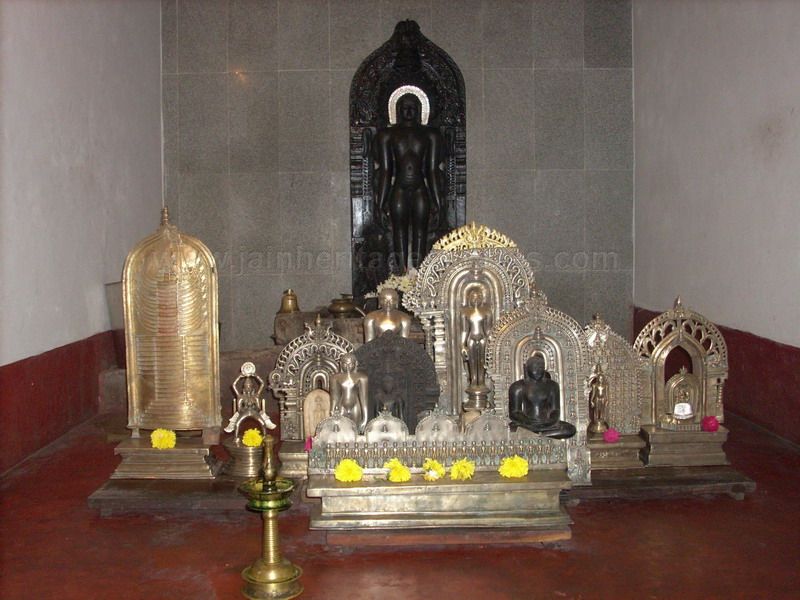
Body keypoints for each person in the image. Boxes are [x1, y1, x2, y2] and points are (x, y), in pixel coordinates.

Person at [375, 93, 444, 272]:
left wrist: (438, 202)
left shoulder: (430, 135)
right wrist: (380, 204)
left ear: (420, 110)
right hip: (399, 188)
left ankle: (420, 276)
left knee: (421, 232)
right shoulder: (388, 135)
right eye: (405, 107)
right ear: (398, 110)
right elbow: (385, 171)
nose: (408, 111)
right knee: (399, 231)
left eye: (413, 107)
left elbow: (432, 171)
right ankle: (401, 276)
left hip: (420, 188)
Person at [509, 354, 575, 439]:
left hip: (547, 425)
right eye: (535, 367)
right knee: (512, 428)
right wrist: (527, 421)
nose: (538, 370)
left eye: (541, 367)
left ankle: (535, 436)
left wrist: (551, 421)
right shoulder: (518, 387)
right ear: (527, 368)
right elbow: (514, 412)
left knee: (570, 429)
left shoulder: (552, 386)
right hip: (527, 425)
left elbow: (555, 410)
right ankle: (538, 435)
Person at [460, 288, 491, 391]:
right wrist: (463, 345)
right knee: (472, 361)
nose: (476, 299)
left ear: (482, 298)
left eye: (478, 297)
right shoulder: (465, 312)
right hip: (471, 338)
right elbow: (464, 331)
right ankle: (473, 380)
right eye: (473, 297)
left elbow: (488, 330)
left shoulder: (486, 311)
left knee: (482, 361)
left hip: (483, 338)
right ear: (469, 299)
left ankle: (481, 381)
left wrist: (491, 343)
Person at [330, 353, 369, 434]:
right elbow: (335, 397)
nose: (347, 366)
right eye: (345, 364)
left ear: (355, 364)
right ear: (340, 364)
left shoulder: (362, 377)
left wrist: (365, 419)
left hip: (355, 406)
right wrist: (332, 411)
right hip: (341, 406)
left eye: (350, 364)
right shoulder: (335, 378)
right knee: (341, 432)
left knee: (355, 431)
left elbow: (364, 399)